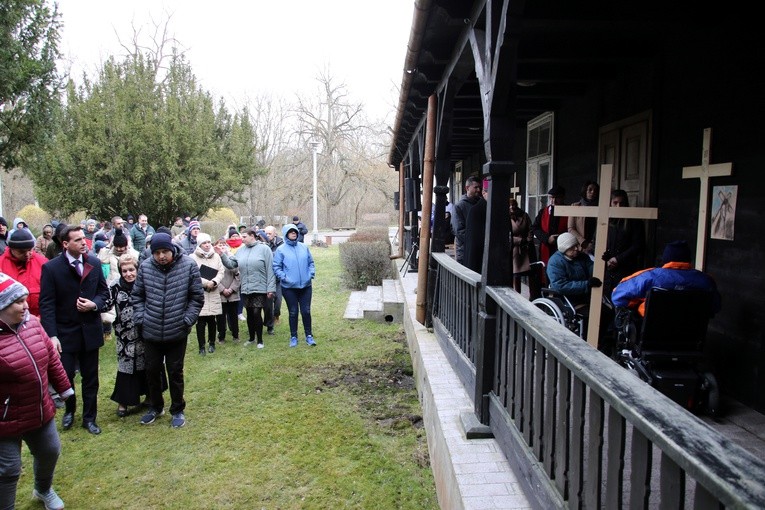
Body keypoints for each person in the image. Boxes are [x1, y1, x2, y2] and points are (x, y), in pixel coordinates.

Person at [0, 274, 74, 510]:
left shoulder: (32, 323)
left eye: (24, 299)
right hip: (4, 419)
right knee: (8, 469)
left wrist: (64, 388)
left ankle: (43, 489)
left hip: (39, 407)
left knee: (50, 451)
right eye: (18, 302)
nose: (26, 305)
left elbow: (51, 357)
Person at [39, 225, 110, 436]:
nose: (83, 242)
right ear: (65, 244)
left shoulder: (94, 263)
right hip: (65, 333)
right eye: (78, 239)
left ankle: (90, 418)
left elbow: (104, 293)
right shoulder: (51, 268)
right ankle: (70, 409)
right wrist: (52, 335)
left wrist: (94, 304)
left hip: (90, 331)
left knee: (90, 378)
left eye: (83, 239)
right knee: (66, 376)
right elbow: (47, 304)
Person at [131, 233, 204, 428]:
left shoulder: (188, 265)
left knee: (175, 371)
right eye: (157, 252)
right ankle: (155, 406)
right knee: (152, 370)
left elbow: (196, 297)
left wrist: (187, 319)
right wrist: (141, 319)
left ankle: (178, 409)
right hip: (151, 329)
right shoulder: (145, 267)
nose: (161, 256)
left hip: (177, 330)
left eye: (165, 251)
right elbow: (137, 296)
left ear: (172, 249)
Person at [611, 240, 721, 318]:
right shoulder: (706, 281)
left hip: (652, 337)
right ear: (689, 259)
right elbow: (715, 307)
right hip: (691, 340)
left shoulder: (649, 277)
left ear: (666, 258)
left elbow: (617, 296)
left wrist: (640, 305)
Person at [108, 254, 156, 417]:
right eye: (125, 271)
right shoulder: (114, 286)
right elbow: (106, 303)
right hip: (125, 334)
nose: (128, 274)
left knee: (149, 364)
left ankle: (151, 396)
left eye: (131, 270)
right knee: (126, 366)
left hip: (146, 330)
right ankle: (124, 401)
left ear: (137, 269)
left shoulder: (145, 282)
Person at [216, 228, 275, 348]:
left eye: (244, 236)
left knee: (256, 312)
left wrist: (271, 288)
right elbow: (231, 265)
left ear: (252, 236)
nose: (241, 239)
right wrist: (222, 254)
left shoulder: (264, 249)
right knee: (249, 313)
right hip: (246, 287)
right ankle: (251, 338)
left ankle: (260, 340)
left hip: (260, 287)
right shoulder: (241, 251)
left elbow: (270, 269)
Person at [273, 223, 316, 348]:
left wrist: (310, 274)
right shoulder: (281, 250)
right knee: (293, 312)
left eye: (295, 232)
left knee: (306, 311)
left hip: (306, 286)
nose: (294, 233)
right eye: (291, 232)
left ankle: (309, 335)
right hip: (289, 287)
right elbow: (276, 267)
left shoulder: (304, 247)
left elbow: (311, 262)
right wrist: (284, 277)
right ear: (286, 234)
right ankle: (293, 337)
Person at [546, 232, 602, 325]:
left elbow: (592, 268)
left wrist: (602, 263)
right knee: (595, 316)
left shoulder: (581, 256)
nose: (577, 248)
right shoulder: (555, 262)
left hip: (586, 296)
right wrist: (586, 284)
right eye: (572, 247)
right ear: (564, 249)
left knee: (607, 312)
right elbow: (560, 285)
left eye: (576, 245)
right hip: (569, 299)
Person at [601, 189, 646, 296]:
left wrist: (618, 259)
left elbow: (638, 245)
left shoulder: (634, 222)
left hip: (626, 269)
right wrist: (605, 259)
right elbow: (596, 243)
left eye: (621, 203)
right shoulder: (604, 221)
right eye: (615, 203)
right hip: (606, 270)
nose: (618, 207)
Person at [0, 228, 48, 316]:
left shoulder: (43, 263)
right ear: (11, 249)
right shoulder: (1, 265)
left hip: (39, 321)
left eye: (30, 250)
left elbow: (52, 296)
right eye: (21, 252)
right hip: (9, 323)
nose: (27, 254)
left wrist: (42, 318)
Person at [192, 233, 224, 354]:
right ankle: (201, 346)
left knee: (212, 319)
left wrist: (215, 281)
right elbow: (193, 274)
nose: (207, 245)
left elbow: (221, 271)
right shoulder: (192, 257)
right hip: (201, 292)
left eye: (208, 242)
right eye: (204, 243)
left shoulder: (216, 256)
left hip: (213, 291)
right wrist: (206, 283)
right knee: (201, 321)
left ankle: (212, 343)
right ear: (199, 244)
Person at [532, 185, 568, 281]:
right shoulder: (543, 212)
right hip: (546, 247)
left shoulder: (569, 212)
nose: (554, 200)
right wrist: (547, 238)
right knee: (545, 274)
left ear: (563, 198)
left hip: (563, 249)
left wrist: (560, 238)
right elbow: (535, 227)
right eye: (552, 198)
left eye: (557, 198)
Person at [509, 198, 540, 299]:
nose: (511, 207)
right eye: (510, 205)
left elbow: (530, 228)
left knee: (531, 272)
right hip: (515, 249)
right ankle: (517, 297)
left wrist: (528, 240)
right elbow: (506, 234)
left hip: (526, 248)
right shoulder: (505, 217)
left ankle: (533, 297)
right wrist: (518, 240)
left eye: (513, 205)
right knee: (516, 274)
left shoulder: (524, 215)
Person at [451, 176, 483, 264]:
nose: (479, 190)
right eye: (476, 187)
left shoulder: (481, 204)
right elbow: (459, 230)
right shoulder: (459, 206)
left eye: (480, 187)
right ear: (467, 188)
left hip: (479, 249)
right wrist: (475, 241)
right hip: (465, 249)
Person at [215, 237, 241, 344]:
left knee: (233, 316)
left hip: (232, 294)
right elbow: (212, 276)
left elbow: (238, 275)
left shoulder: (233, 258)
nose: (222, 247)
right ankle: (221, 336)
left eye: (223, 245)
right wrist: (222, 289)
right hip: (220, 294)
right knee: (220, 317)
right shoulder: (214, 259)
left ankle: (235, 335)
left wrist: (232, 289)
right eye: (219, 245)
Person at [567, 181, 599, 257]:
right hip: (580, 246)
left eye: (595, 190)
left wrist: (593, 244)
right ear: (585, 191)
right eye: (590, 189)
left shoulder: (600, 207)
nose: (592, 192)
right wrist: (584, 243)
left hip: (597, 245)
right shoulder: (575, 206)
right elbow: (571, 228)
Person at [263, 225, 284, 333]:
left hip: (277, 278)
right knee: (268, 302)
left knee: (278, 300)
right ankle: (269, 324)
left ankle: (276, 315)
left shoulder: (281, 244)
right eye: (265, 233)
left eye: (269, 233)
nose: (267, 236)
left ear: (275, 234)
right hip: (266, 278)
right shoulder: (261, 243)